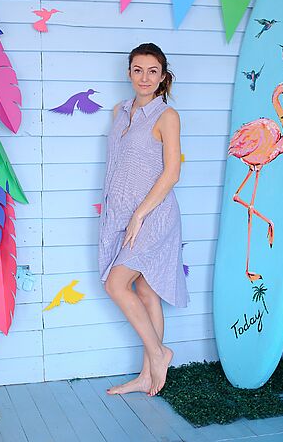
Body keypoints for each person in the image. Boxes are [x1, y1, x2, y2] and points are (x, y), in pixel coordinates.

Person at [98, 42, 189, 397]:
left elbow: (172, 173)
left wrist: (138, 215)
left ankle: (158, 354)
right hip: (124, 213)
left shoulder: (167, 116)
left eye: (153, 71)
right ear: (129, 73)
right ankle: (147, 376)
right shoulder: (119, 112)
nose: (145, 77)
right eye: (138, 70)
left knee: (116, 284)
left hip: (155, 214)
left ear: (163, 76)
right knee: (145, 289)